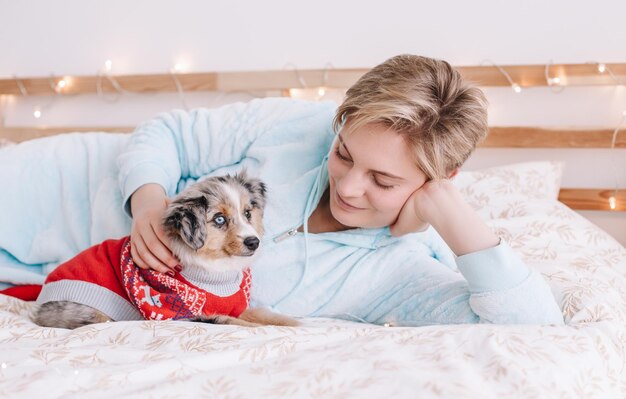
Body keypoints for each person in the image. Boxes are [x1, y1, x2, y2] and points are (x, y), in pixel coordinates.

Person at [0, 55, 564, 326]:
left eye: (383, 180)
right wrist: (147, 200)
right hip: (60, 188)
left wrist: (448, 212)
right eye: (344, 153)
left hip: (69, 284)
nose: (346, 186)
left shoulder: (401, 273)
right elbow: (165, 132)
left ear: (436, 181)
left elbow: (535, 332)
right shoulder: (301, 124)